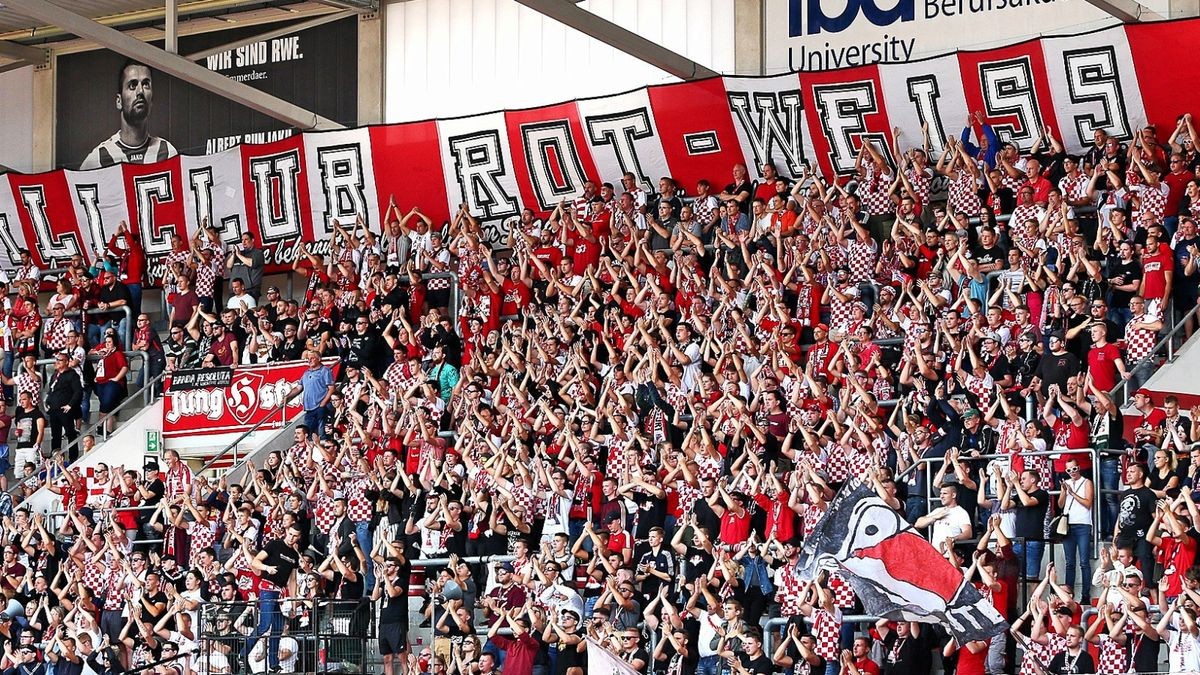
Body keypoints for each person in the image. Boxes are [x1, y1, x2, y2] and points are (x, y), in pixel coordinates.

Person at [80, 59, 177, 170]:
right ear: (119, 101)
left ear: (152, 101)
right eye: (132, 85)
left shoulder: (167, 153)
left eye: (146, 84)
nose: (140, 91)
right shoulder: (99, 159)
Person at [240, 524, 302, 673]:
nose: (291, 538)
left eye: (295, 536)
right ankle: (243, 654)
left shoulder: (294, 554)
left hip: (278, 592)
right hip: (267, 588)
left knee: (278, 626)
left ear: (298, 537)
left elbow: (292, 581)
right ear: (287, 531)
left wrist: (293, 605)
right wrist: (267, 568)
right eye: (290, 534)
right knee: (265, 624)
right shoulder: (274, 544)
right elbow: (255, 561)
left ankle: (273, 664)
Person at [284, 350, 334, 440]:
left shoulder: (325, 371)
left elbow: (331, 388)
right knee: (307, 434)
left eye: (312, 358)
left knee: (322, 433)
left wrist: (323, 403)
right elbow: (298, 388)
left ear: (319, 359)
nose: (309, 360)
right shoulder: (306, 373)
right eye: (308, 359)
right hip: (308, 409)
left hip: (320, 407)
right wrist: (287, 397)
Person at [43, 351, 82, 462]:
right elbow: (52, 390)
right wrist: (48, 402)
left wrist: (70, 405)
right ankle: (55, 458)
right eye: (57, 360)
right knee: (55, 435)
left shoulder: (72, 374)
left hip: (65, 410)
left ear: (66, 362)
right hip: (54, 410)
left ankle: (73, 458)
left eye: (60, 360)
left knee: (70, 433)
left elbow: (78, 391)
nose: (57, 362)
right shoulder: (55, 374)